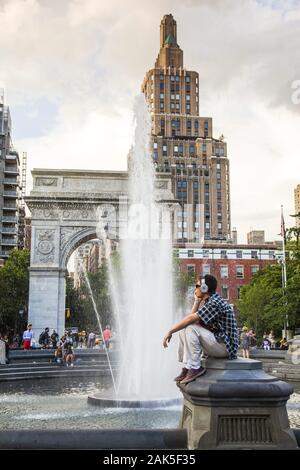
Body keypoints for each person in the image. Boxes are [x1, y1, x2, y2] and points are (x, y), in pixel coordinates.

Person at [163, 275, 238, 385]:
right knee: (185, 328)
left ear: (204, 288)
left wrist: (170, 331)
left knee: (189, 327)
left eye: (197, 286)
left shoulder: (215, 303)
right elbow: (192, 319)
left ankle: (195, 367)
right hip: (218, 344)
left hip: (226, 348)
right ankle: (189, 367)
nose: (195, 289)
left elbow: (190, 319)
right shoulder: (210, 301)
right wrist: (197, 301)